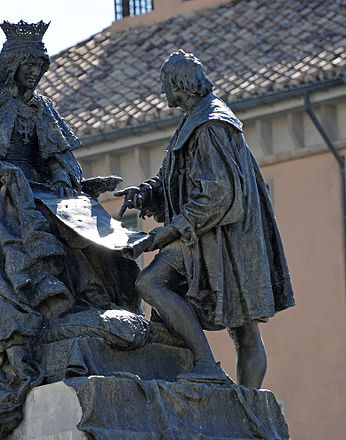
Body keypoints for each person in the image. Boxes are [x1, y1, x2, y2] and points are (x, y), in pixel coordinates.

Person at [0, 21, 143, 439]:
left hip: (42, 190)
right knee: (44, 216)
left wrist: (65, 176)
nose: (35, 72)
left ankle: (94, 301)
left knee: (90, 220)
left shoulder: (42, 108)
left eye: (40, 65)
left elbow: (60, 157)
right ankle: (49, 308)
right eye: (29, 64)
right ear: (11, 65)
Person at [117, 50, 295, 388]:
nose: (163, 91)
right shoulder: (194, 119)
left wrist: (163, 235)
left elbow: (215, 195)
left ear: (178, 84)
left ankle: (211, 369)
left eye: (165, 84)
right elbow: (174, 177)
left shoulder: (211, 123)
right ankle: (245, 402)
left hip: (218, 238)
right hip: (208, 234)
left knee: (151, 283)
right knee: (243, 328)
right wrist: (145, 193)